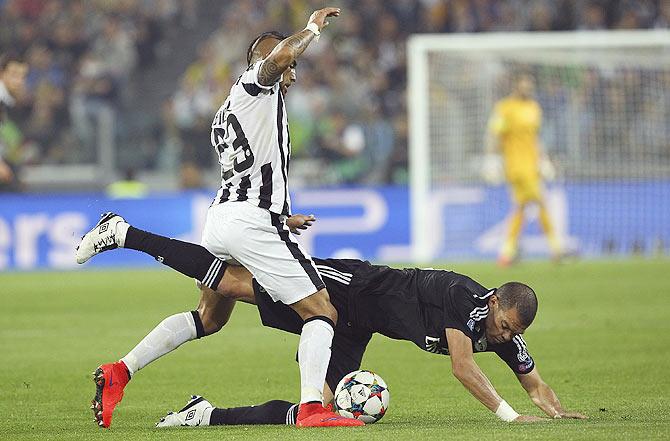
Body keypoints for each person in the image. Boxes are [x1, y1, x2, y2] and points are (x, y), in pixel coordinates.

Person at [76, 7, 363, 429]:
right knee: (321, 310)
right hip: (248, 223)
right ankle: (312, 409)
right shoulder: (254, 87)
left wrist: (282, 218)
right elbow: (276, 60)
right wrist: (312, 29)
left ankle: (121, 370)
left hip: (226, 219)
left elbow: (251, 172)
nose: (294, 75)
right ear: (269, 59)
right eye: (292, 66)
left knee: (207, 319)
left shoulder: (227, 110)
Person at [77, 213, 587, 426]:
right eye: (504, 326)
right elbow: (462, 368)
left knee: (317, 409)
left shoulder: (502, 331)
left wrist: (554, 412)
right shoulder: (463, 297)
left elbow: (533, 381)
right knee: (231, 282)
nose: (503, 337)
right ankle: (126, 233)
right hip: (349, 287)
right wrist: (510, 418)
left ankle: (206, 415)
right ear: (494, 300)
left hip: (356, 326)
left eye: (512, 334)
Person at [485, 73, 562, 266]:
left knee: (520, 207)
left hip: (532, 164)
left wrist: (543, 160)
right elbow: (494, 134)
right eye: (524, 84)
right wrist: (492, 159)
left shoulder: (534, 108)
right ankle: (556, 249)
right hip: (516, 166)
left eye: (530, 84)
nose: (527, 88)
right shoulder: (505, 108)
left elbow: (535, 138)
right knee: (540, 202)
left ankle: (506, 253)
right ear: (516, 86)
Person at [0, 53, 28, 192]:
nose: (19, 80)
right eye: (14, 74)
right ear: (2, 73)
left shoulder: (7, 101)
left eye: (23, 76)